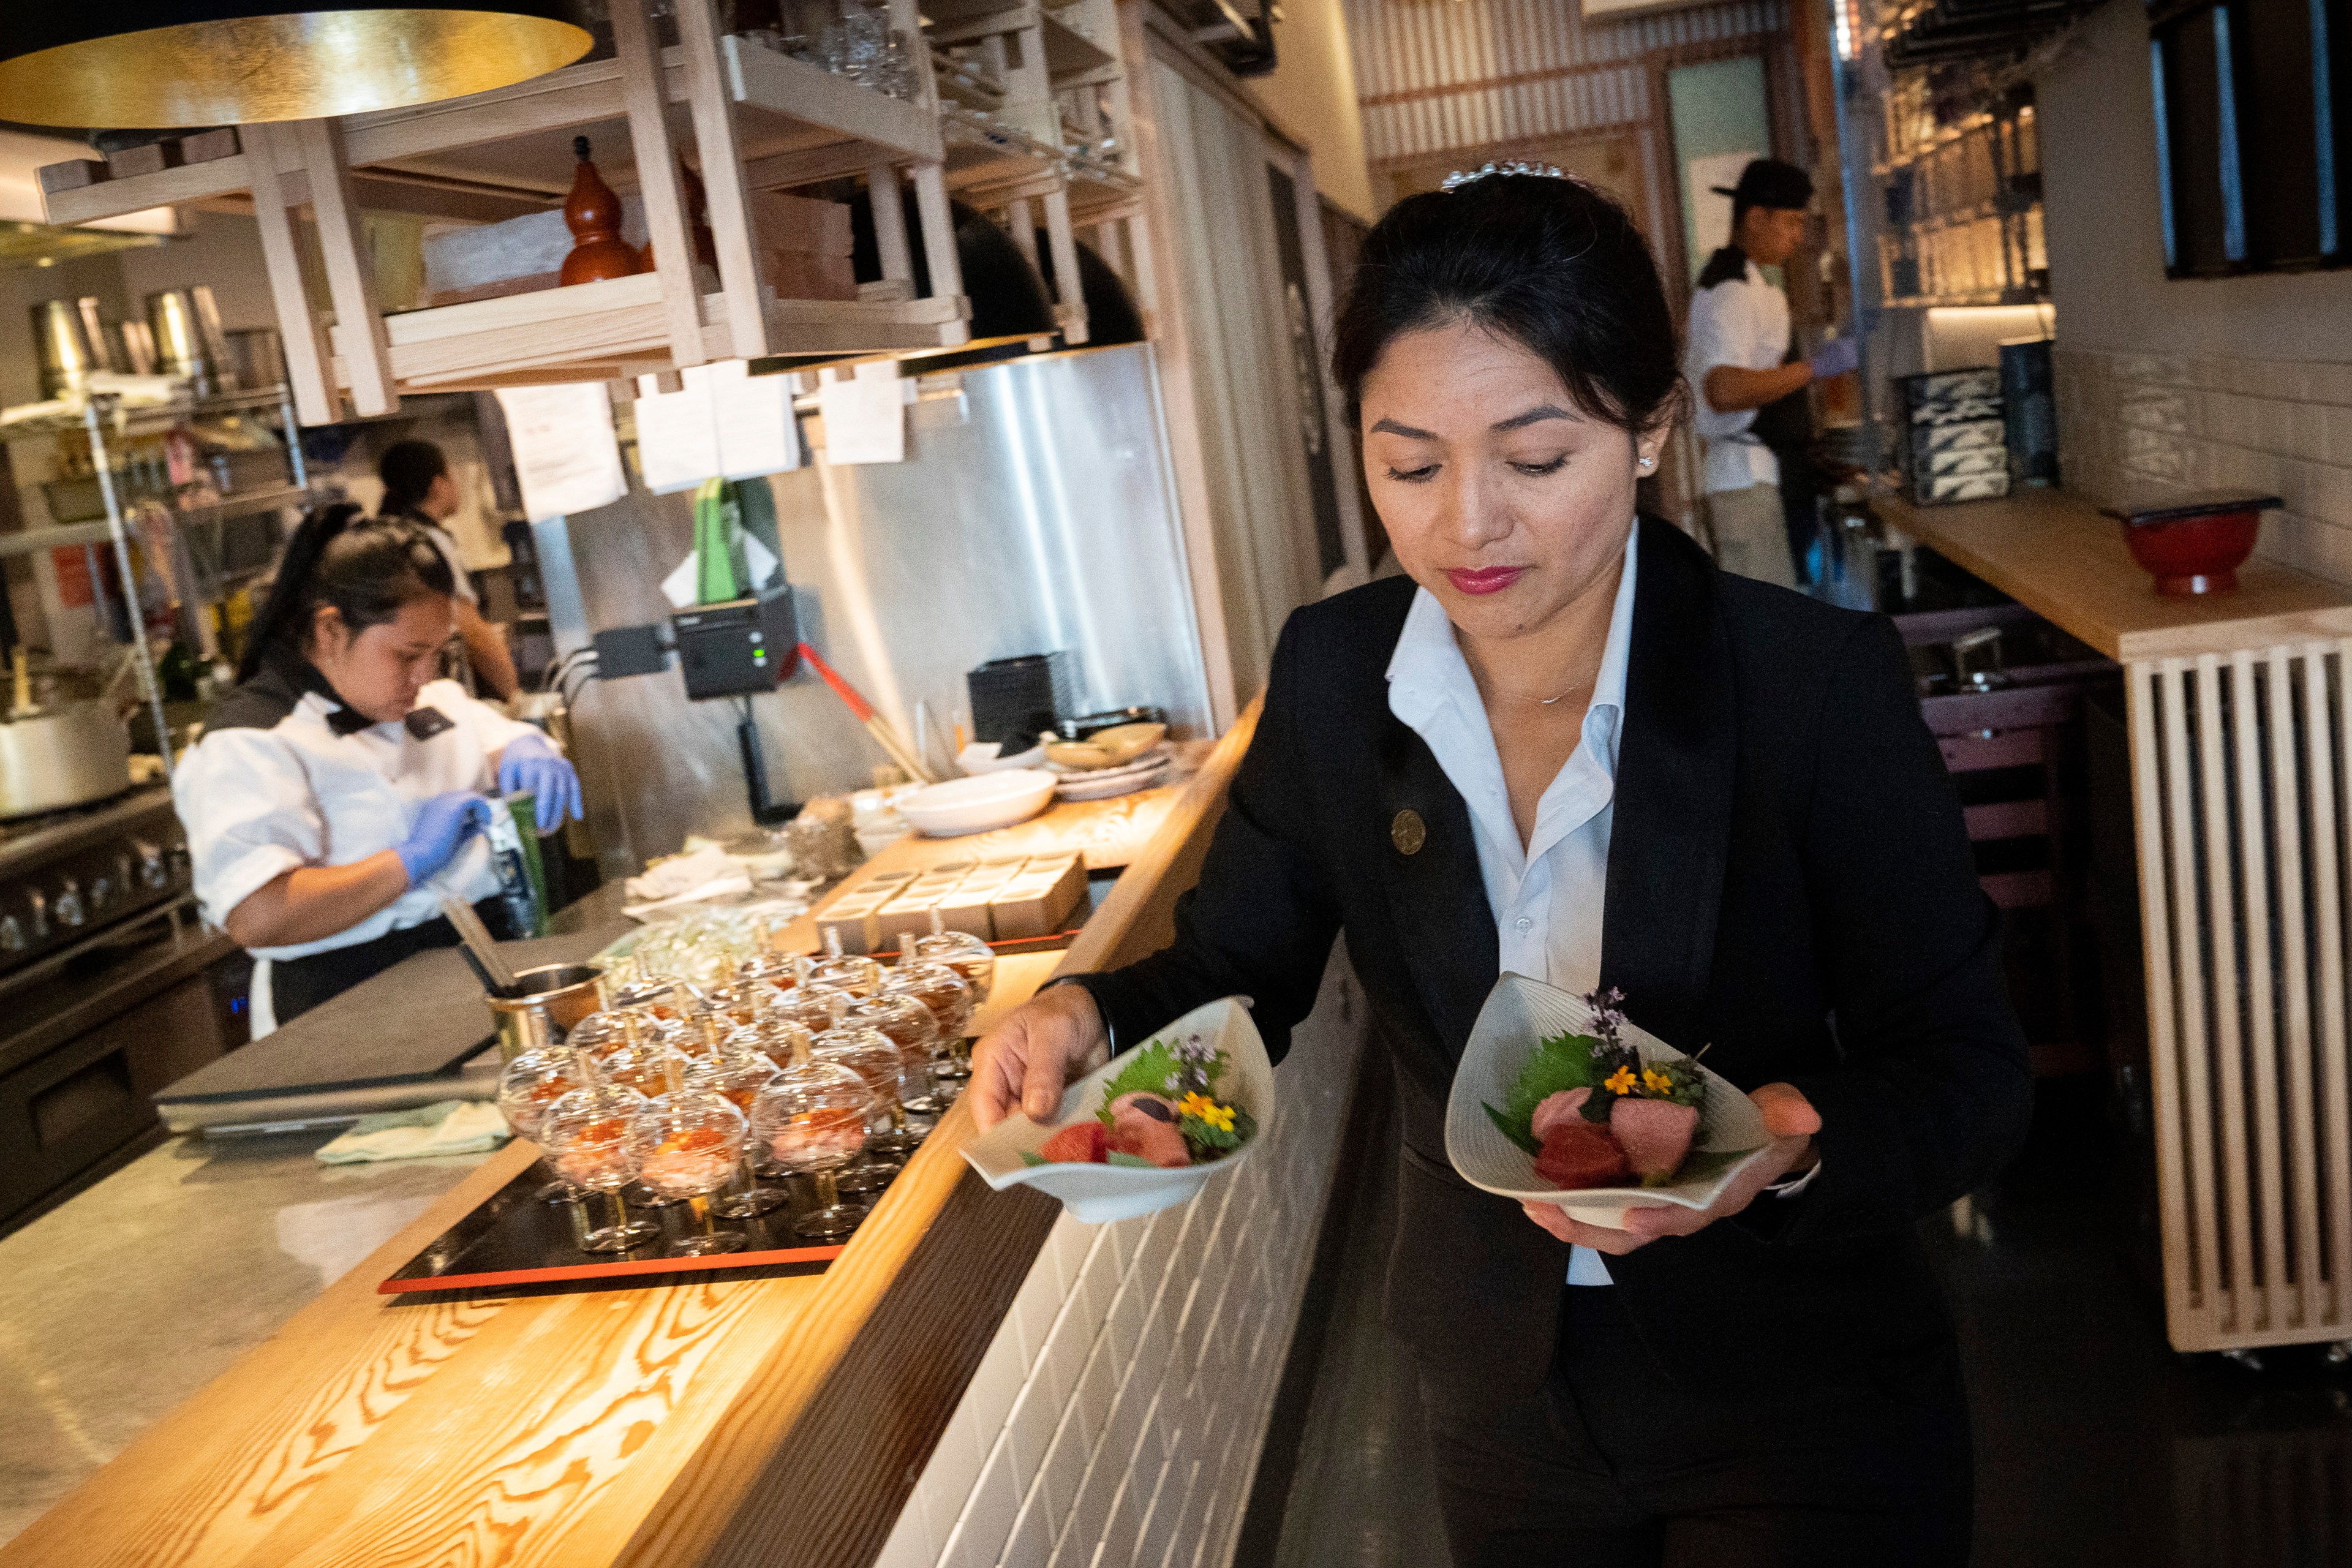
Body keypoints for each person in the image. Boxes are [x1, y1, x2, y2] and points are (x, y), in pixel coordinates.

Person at [969, 170, 2028, 1567]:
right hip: (1501, 1389)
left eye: (1534, 460)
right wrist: (1082, 1012)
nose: (1465, 524)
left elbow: (1965, 1074)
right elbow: (1237, 967)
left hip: (1796, 1382)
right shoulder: (1338, 676)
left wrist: (1774, 1141)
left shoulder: (1804, 686)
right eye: (1408, 463)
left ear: (1650, 426)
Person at [175, 505, 584, 1034]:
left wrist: (529, 748)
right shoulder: (251, 742)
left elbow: (485, 740)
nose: (424, 674)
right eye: (407, 655)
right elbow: (258, 915)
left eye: (437, 653)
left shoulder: (423, 697)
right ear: (330, 632)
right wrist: (408, 861)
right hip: (346, 1005)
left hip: (479, 968)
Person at [1683, 157, 1859, 588]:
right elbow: (1722, 390)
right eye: (1791, 223)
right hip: (1748, 479)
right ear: (1756, 217)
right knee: (1771, 626)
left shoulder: (1743, 282)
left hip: (1762, 477)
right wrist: (1816, 367)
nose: (1797, 237)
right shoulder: (1733, 291)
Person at [377, 438, 520, 698]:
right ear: (437, 484)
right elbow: (467, 625)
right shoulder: (431, 542)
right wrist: (515, 695)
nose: (456, 486)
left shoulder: (395, 535)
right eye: (451, 476)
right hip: (442, 683)